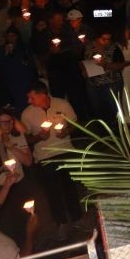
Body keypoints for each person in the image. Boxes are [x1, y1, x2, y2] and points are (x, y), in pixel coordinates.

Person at [20, 81, 82, 231]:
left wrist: (65, 132)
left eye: (32, 97)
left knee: (70, 187)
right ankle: (61, 223)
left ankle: (77, 219)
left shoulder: (62, 104)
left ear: (43, 94)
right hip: (44, 156)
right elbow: (25, 139)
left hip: (66, 151)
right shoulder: (27, 114)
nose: (29, 101)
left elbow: (75, 123)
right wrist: (39, 137)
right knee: (52, 191)